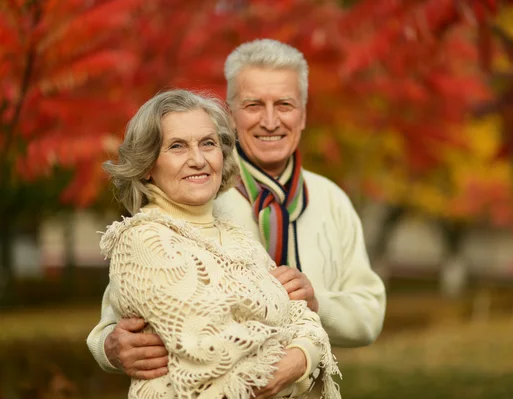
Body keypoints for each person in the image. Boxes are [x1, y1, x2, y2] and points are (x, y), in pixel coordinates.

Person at [88, 38, 386, 387]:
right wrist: (110, 347)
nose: (270, 121)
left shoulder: (332, 199)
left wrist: (317, 307)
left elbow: (369, 313)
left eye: (285, 105)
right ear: (230, 114)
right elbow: (120, 311)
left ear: (303, 115)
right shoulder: (190, 198)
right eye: (254, 105)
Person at [97, 89, 340, 399]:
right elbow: (214, 353)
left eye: (208, 143)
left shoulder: (238, 238)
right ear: (147, 164)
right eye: (177, 146)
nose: (198, 160)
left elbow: (306, 320)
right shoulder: (143, 239)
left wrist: (299, 356)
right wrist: (301, 350)